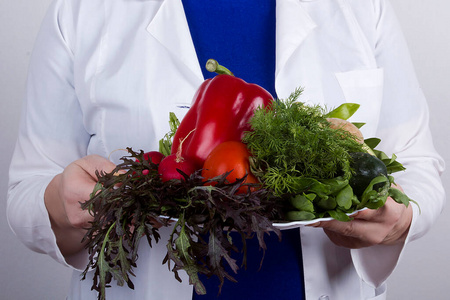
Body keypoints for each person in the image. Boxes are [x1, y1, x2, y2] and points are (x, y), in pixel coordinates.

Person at [7, 0, 445, 299]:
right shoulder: (84, 10)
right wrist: (57, 204)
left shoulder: (362, 7)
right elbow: (26, 190)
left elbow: (420, 166)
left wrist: (400, 219)